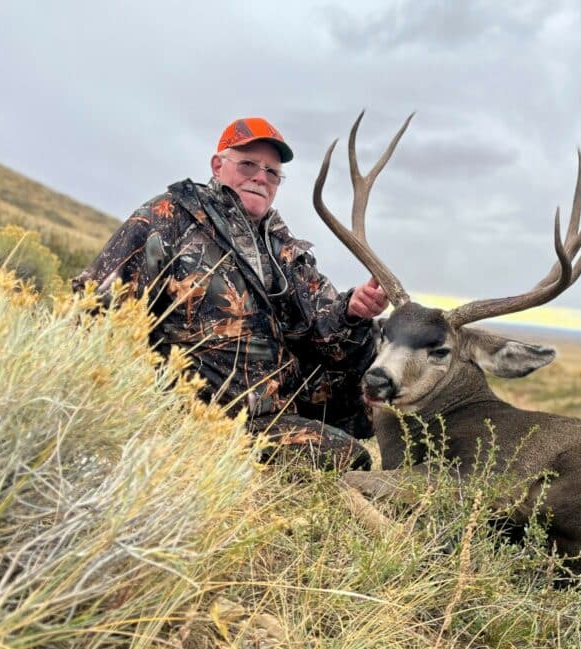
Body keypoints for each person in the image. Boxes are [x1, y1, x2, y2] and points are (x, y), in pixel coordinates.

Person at [74, 117, 388, 469]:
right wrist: (106, 405)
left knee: (377, 358)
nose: (260, 177)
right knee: (348, 460)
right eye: (249, 164)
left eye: (272, 172)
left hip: (278, 402)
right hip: (208, 415)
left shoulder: (280, 245)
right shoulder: (167, 218)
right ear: (217, 165)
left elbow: (321, 322)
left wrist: (354, 309)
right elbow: (96, 307)